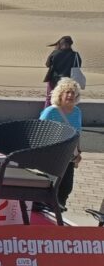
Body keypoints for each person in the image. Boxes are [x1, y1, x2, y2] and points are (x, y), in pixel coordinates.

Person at [36, 77, 83, 214]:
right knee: (50, 186)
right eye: (67, 92)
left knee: (66, 187)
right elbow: (38, 133)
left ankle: (58, 213)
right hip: (52, 156)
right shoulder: (51, 112)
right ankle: (45, 212)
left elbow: (78, 133)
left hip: (69, 156)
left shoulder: (77, 112)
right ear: (60, 94)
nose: (70, 95)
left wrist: (78, 152)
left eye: (73, 93)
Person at [43, 36, 82, 105]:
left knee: (50, 98)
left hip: (53, 79)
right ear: (70, 44)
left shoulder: (55, 53)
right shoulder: (75, 55)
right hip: (68, 81)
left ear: (61, 44)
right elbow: (78, 66)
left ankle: (48, 111)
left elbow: (47, 64)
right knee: (65, 99)